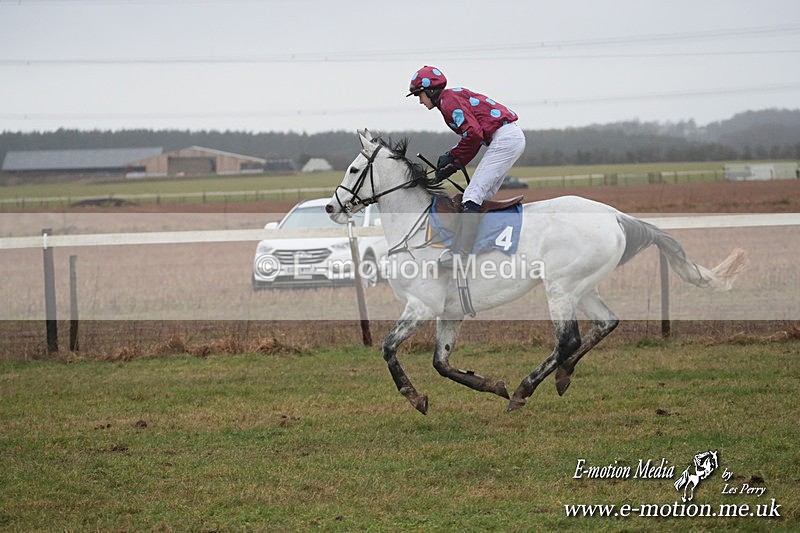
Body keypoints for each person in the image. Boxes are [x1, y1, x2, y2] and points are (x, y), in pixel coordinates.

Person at [407, 65, 526, 268]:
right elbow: (473, 137)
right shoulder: (449, 99)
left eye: (420, 95)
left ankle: (461, 255)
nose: (419, 100)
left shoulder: (448, 102)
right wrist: (451, 165)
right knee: (480, 197)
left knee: (472, 195)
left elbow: (473, 135)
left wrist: (452, 158)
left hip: (504, 138)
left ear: (431, 91)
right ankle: (484, 249)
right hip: (508, 138)